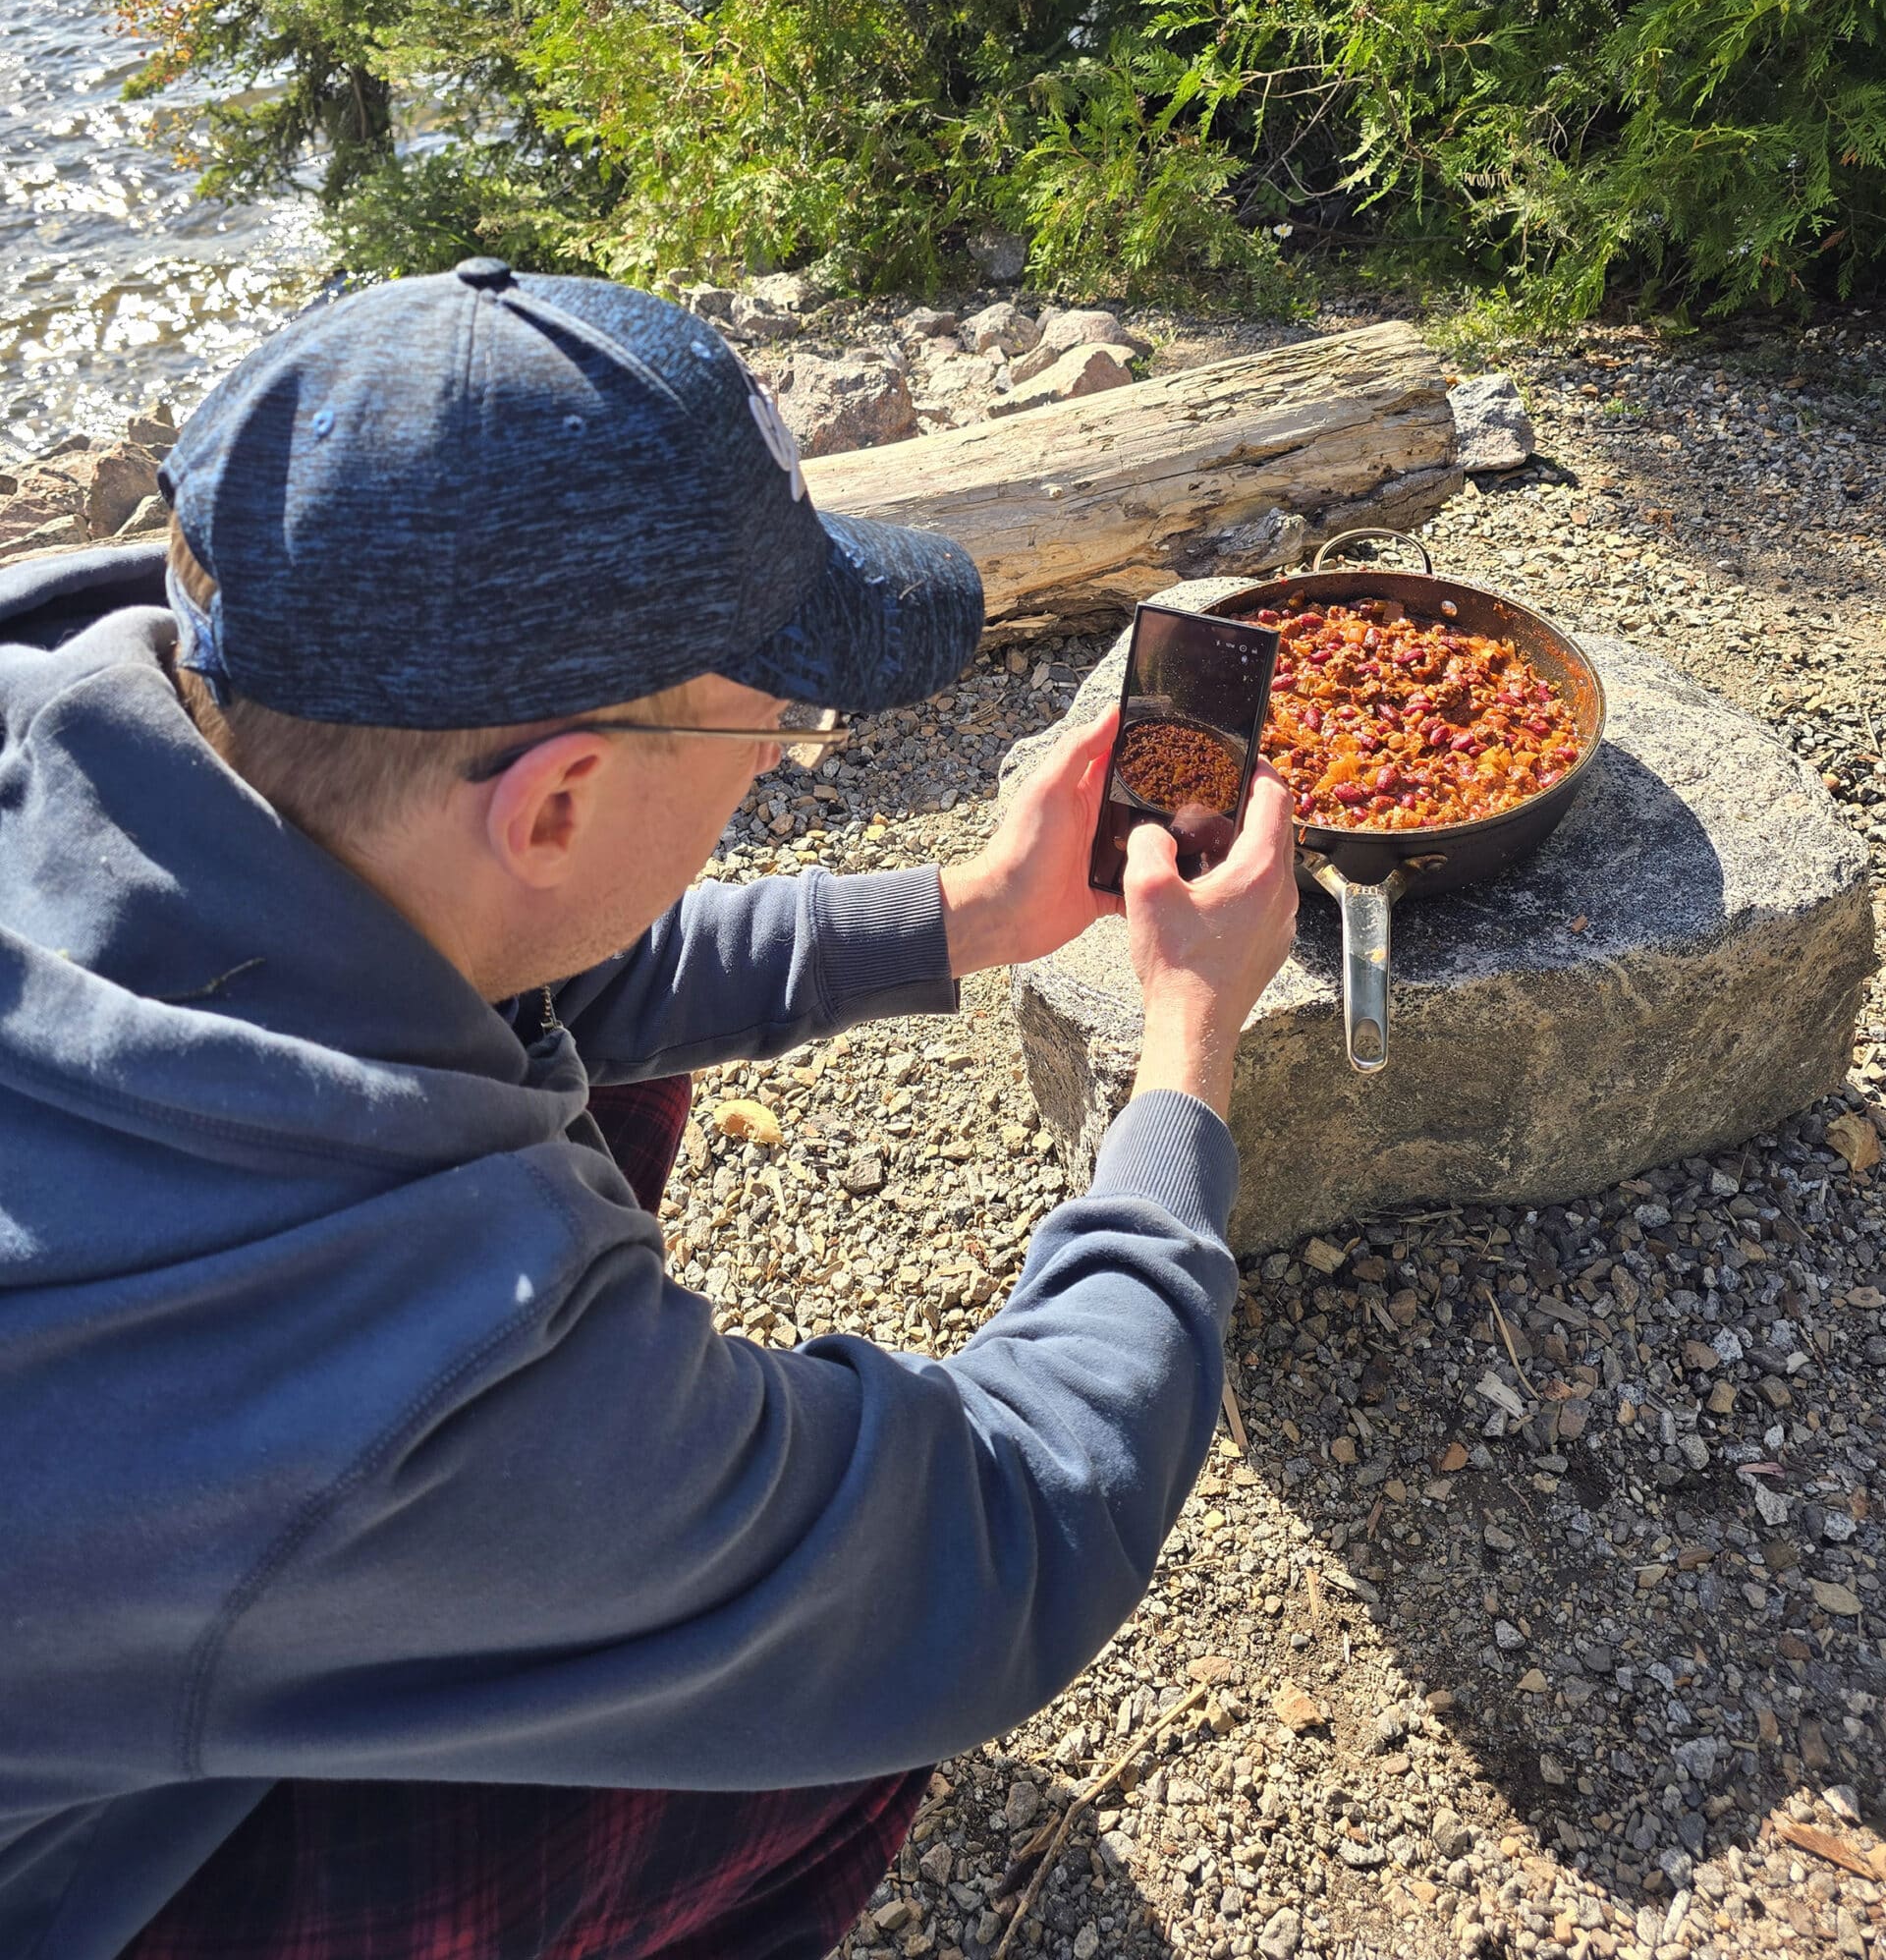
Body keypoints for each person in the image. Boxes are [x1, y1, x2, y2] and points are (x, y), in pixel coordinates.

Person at [0, 259, 1297, 1960]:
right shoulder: (420, 1345)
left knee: (621, 1070)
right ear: (558, 799)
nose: (781, 761)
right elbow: (983, 1549)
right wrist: (1185, 1054)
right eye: (781, 725)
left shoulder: (113, 701)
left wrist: (968, 915)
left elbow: (525, 953)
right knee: (830, 1726)